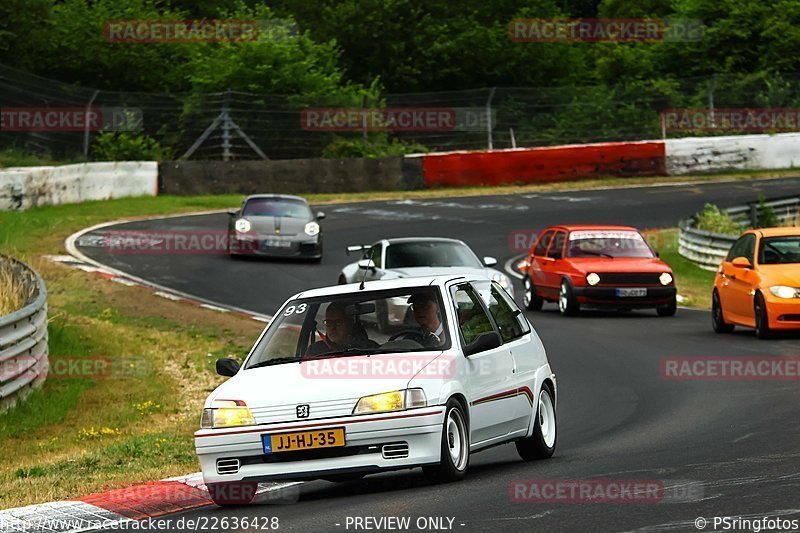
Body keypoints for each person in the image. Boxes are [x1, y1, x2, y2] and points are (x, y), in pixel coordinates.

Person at [307, 301, 378, 356]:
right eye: (328, 322)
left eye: (338, 323)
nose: (332, 327)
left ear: (350, 324)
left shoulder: (372, 349)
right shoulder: (315, 351)